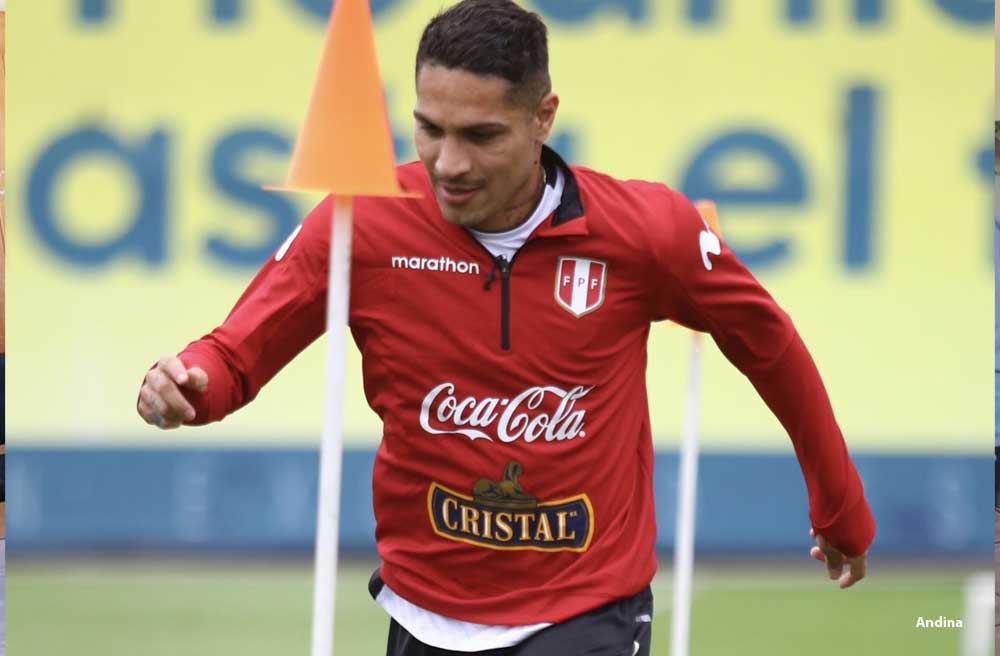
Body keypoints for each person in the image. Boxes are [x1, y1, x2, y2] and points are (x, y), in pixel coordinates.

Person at [137, 1, 875, 653]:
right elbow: (234, 355)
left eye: (481, 135)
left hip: (589, 609)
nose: (448, 163)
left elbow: (769, 344)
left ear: (542, 118)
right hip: (422, 609)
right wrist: (187, 386)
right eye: (430, 129)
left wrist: (839, 505)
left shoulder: (648, 233)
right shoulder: (360, 221)